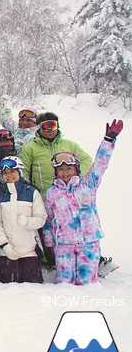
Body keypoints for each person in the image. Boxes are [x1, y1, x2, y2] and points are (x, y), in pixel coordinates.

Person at [43, 120, 123, 285]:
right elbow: (48, 218)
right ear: (56, 172)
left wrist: (108, 140)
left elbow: (101, 163)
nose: (65, 172)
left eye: (69, 168)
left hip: (88, 242)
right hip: (63, 245)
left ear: (76, 169)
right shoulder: (52, 192)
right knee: (64, 283)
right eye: (61, 169)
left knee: (87, 282)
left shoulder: (88, 184)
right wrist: (49, 241)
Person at [0, 156, 45, 283]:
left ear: (20, 172)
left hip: (29, 250)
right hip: (8, 251)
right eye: (5, 173)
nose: (9, 175)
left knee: (32, 285)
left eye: (12, 171)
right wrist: (4, 245)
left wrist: (27, 222)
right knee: (10, 286)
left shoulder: (32, 193)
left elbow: (41, 219)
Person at [19, 112, 92, 198]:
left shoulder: (70, 145)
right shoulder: (30, 148)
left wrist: (77, 175)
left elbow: (87, 160)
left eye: (52, 125)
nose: (50, 130)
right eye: (46, 126)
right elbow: (23, 171)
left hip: (68, 196)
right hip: (43, 197)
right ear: (39, 127)